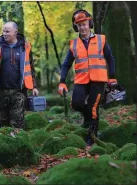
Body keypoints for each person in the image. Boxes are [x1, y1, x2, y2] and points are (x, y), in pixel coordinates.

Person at [58, 10, 117, 147]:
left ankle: (92, 136)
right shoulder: (73, 44)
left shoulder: (101, 40)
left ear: (89, 24)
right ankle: (89, 118)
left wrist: (112, 77)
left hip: (98, 80)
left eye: (84, 24)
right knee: (76, 104)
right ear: (76, 27)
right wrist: (62, 81)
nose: (82, 28)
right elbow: (66, 64)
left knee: (93, 107)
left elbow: (110, 58)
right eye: (79, 26)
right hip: (81, 80)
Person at [0, 21, 39, 128]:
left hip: (19, 91)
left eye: (7, 31)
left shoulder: (24, 47)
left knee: (17, 123)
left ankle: (19, 142)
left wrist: (34, 86)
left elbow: (30, 67)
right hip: (1, 91)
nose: (4, 33)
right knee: (2, 124)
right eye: (3, 31)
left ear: (15, 32)